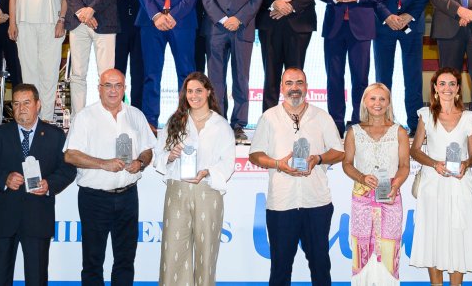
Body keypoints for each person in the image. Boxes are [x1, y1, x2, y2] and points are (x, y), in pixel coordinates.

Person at [248, 68, 345, 286]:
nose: (295, 88)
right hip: (282, 204)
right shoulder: (269, 117)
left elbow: (339, 152)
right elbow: (254, 154)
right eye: (289, 83)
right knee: (280, 269)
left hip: (316, 203)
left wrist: (318, 159)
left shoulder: (322, 117)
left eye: (299, 83)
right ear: (281, 88)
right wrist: (277, 164)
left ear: (307, 87)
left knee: (321, 267)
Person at [0, 83, 77, 286]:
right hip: (4, 219)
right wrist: (4, 179)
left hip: (37, 219)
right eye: (16, 103)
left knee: (37, 279)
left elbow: (68, 170)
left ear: (38, 105)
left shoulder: (55, 135)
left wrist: (49, 185)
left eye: (27, 103)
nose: (21, 108)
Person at [63, 69, 157, 286]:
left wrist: (140, 163)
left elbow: (147, 150)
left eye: (118, 85)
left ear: (125, 89)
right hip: (94, 199)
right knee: (93, 261)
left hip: (128, 197)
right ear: (99, 88)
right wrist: (103, 164)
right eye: (108, 85)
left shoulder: (135, 115)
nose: (113, 90)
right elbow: (70, 155)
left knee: (125, 259)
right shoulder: (85, 117)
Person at [153, 72, 237, 286]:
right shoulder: (174, 122)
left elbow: (228, 163)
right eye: (189, 91)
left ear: (208, 92)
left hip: (208, 191)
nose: (194, 95)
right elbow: (158, 157)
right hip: (177, 191)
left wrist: (207, 172)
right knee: (173, 254)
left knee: (206, 254)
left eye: (198, 90)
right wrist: (170, 156)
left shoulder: (221, 125)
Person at [409, 67, 472, 284]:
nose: (447, 88)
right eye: (442, 83)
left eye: (452, 84)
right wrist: (434, 164)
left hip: (460, 184)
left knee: (459, 237)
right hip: (433, 184)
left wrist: (465, 164)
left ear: (458, 88)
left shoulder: (469, 118)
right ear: (435, 88)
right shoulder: (425, 115)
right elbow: (415, 150)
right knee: (433, 235)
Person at [319, 0, 391, 134]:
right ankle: (335, 123)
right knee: (334, 78)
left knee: (360, 79)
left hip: (362, 29)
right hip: (334, 28)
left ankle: (358, 122)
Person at [200, 0, 264, 143]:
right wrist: (223, 19)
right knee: (215, 79)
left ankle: (238, 125)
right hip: (216, 29)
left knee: (241, 79)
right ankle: (218, 122)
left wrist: (239, 19)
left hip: (243, 30)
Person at [342, 83, 409, 286]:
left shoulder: (399, 132)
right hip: (362, 199)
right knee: (361, 250)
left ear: (388, 103)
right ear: (364, 101)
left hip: (390, 198)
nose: (377, 103)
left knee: (389, 250)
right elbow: (347, 164)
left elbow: (404, 166)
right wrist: (361, 177)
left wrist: (396, 185)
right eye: (372, 98)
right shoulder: (354, 132)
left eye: (382, 99)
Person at [372, 0, 429, 134]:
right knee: (382, 78)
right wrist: (387, 15)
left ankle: (415, 125)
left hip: (411, 26)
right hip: (383, 25)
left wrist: (408, 15)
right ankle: (383, 123)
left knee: (413, 77)